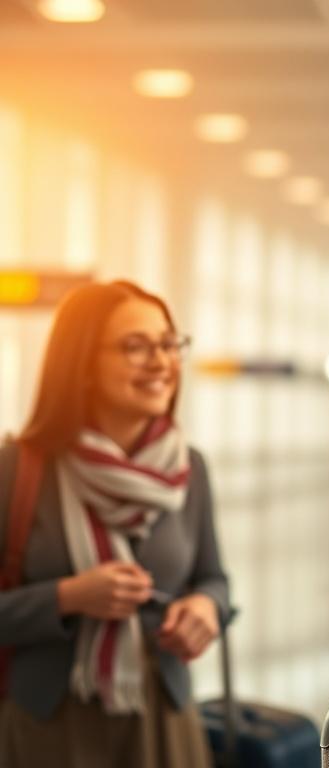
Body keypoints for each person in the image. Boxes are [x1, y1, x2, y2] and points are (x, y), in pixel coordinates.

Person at [0, 280, 229, 768]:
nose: (161, 362)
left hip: (163, 716)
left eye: (169, 344)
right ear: (82, 365)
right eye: (136, 347)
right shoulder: (19, 469)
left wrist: (207, 608)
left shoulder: (190, 468)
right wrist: (67, 598)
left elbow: (214, 578)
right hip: (51, 720)